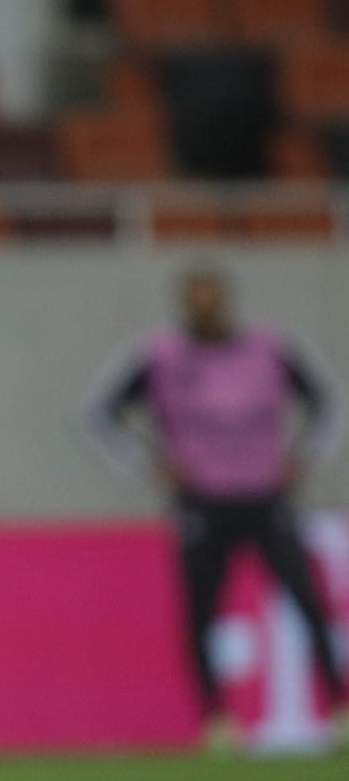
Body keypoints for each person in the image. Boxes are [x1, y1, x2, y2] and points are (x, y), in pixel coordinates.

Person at [83, 264, 345, 751]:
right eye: (196, 298)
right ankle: (216, 717)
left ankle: (337, 703)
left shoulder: (270, 348)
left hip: (266, 494)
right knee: (202, 611)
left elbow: (328, 403)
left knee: (307, 599)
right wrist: (149, 464)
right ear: (185, 303)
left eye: (212, 297)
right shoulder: (159, 355)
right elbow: (97, 413)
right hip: (201, 499)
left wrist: (304, 458)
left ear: (226, 300)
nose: (205, 306)